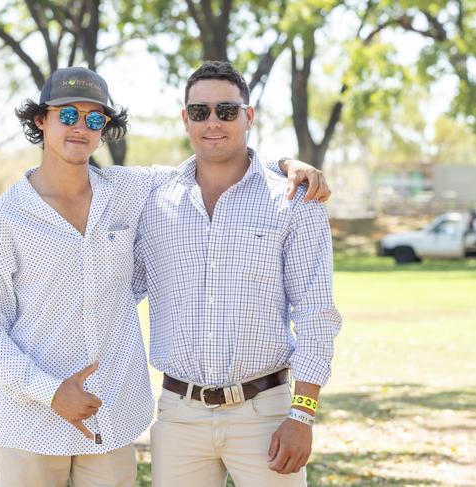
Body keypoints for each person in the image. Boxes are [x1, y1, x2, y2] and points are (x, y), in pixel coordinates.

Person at [0, 66, 330, 487]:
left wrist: (287, 165)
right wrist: (48, 391)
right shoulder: (5, 218)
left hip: (113, 422)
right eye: (67, 115)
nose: (80, 127)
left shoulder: (131, 191)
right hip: (32, 420)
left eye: (94, 118)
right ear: (40, 120)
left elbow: (220, 161)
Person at [133, 61, 343, 487]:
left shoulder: (293, 201)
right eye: (200, 111)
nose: (213, 122)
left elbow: (317, 314)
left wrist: (301, 414)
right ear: (185, 118)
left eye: (227, 111)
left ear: (248, 117)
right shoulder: (154, 199)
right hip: (179, 416)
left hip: (266, 414)